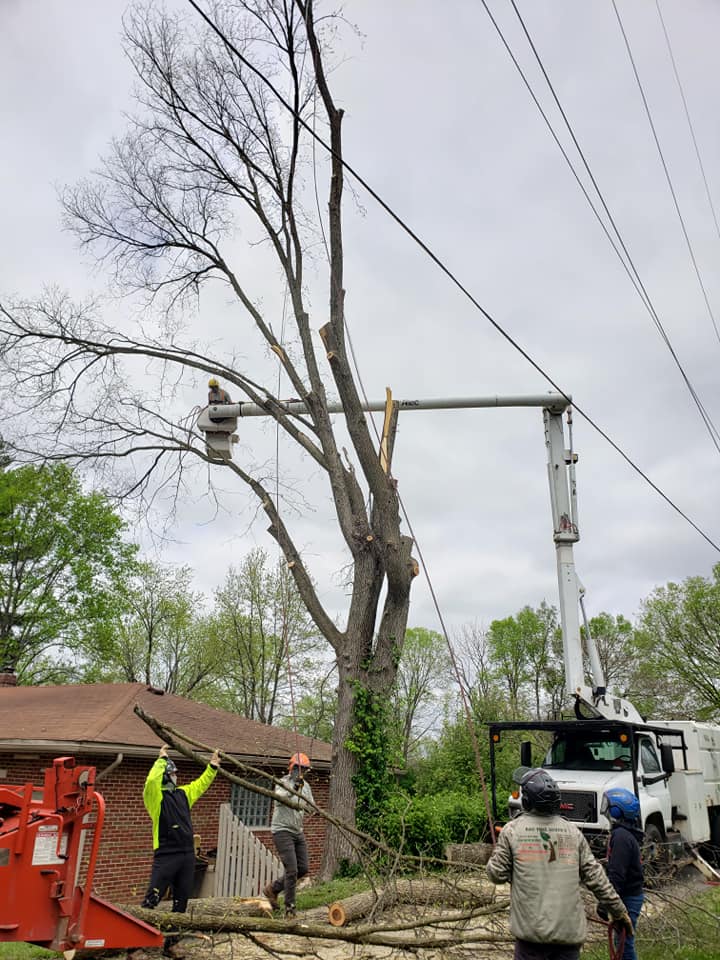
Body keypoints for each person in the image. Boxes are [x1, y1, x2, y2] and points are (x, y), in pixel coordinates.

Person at [486, 767, 634, 960]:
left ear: (527, 801)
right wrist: (620, 911)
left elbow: (495, 875)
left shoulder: (512, 831)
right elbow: (597, 879)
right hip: (568, 939)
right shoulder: (572, 832)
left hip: (531, 940)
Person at [142, 744, 220, 957]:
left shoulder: (183, 794)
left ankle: (172, 944)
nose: (177, 776)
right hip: (166, 855)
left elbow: (201, 784)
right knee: (152, 899)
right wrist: (161, 760)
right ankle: (135, 945)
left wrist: (212, 767)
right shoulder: (155, 798)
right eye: (174, 773)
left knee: (181, 901)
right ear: (166, 776)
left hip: (187, 855)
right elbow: (150, 781)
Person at [263, 752, 314, 918]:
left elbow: (311, 805)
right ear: (291, 767)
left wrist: (313, 809)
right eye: (298, 768)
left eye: (303, 769)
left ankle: (273, 888)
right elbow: (279, 798)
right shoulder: (283, 782)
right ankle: (290, 908)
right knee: (291, 870)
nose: (300, 772)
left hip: (297, 831)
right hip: (282, 830)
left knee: (303, 868)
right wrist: (294, 789)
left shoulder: (306, 786)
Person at [601, 788, 644, 960]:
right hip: (630, 895)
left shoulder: (620, 837)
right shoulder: (625, 834)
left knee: (625, 945)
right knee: (622, 942)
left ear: (617, 810)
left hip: (628, 897)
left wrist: (606, 902)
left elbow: (617, 874)